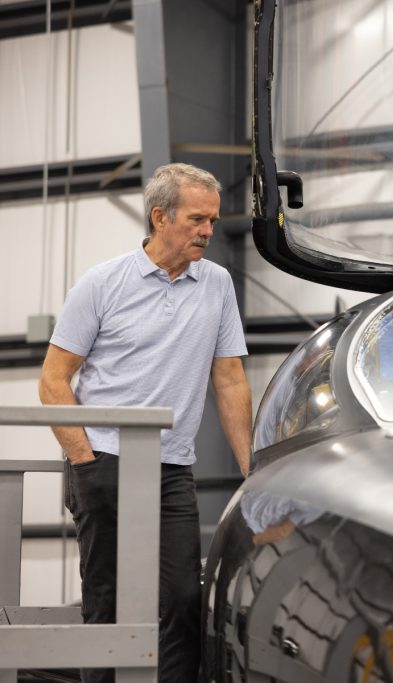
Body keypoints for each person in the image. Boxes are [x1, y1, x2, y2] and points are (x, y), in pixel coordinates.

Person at [38, 163, 252, 682]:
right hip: (103, 459)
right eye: (197, 219)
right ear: (160, 217)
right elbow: (53, 381)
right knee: (105, 600)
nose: (208, 231)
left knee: (182, 598)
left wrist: (253, 471)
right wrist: (84, 462)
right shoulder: (102, 284)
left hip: (172, 467)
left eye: (213, 221)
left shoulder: (217, 285)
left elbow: (229, 381)